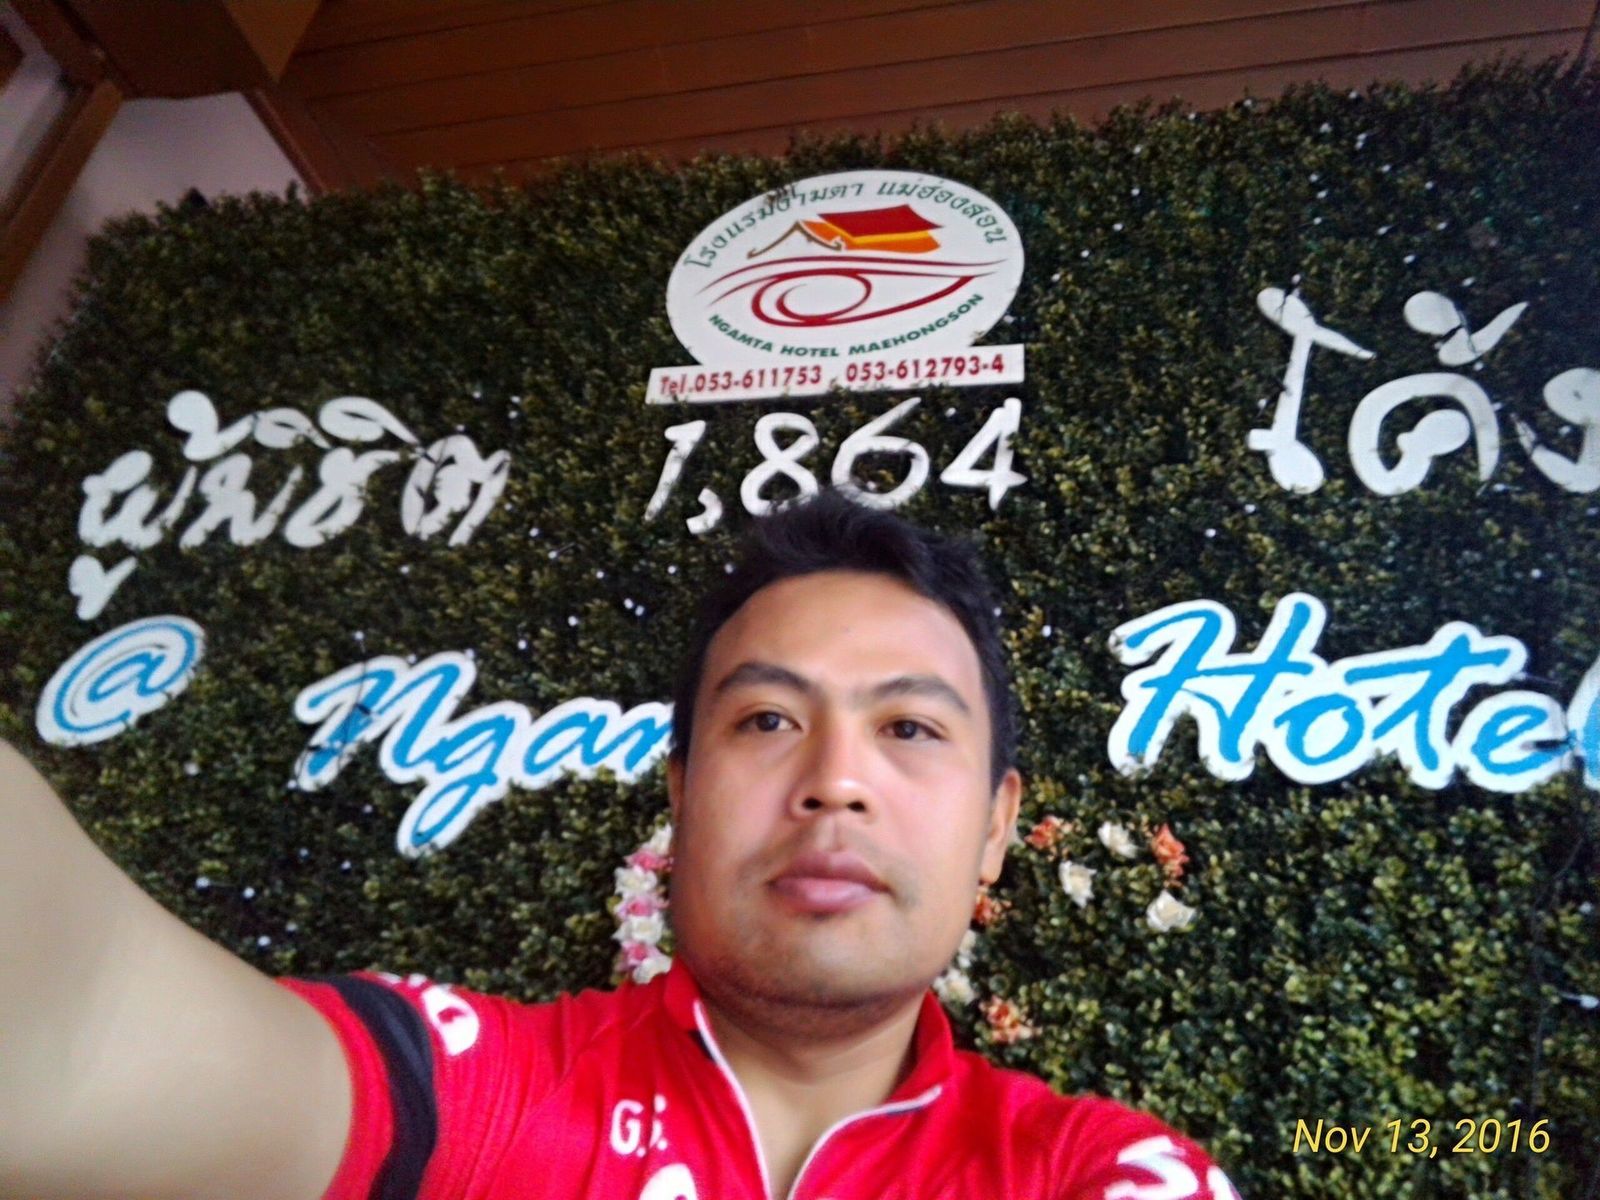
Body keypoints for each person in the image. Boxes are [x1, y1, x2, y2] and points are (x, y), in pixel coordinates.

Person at [0, 488, 1238, 1200]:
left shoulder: (1099, 1169)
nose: (835, 781)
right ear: (683, 796)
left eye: (908, 728)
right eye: (767, 720)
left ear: (994, 831)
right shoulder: (485, 1097)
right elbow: (86, 1031)